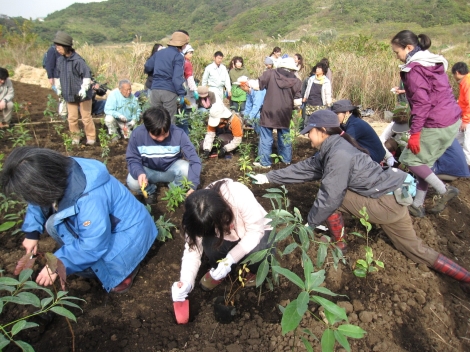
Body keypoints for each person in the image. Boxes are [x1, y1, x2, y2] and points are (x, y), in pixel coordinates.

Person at [249, 110, 470, 295]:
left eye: (310, 132)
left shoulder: (338, 154)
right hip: (395, 199)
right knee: (416, 249)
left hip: (384, 203)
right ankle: (466, 278)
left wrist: (310, 224)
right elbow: (307, 168)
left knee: (334, 195)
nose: (308, 137)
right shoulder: (334, 147)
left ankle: (340, 244)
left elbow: (330, 196)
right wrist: (269, 177)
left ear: (323, 131)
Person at [1, 147, 158, 293]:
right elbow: (38, 197)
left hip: (131, 233)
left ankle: (126, 270)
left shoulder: (89, 197)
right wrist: (32, 232)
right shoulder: (57, 169)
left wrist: (57, 264)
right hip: (109, 226)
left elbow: (93, 245)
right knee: (53, 225)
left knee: (89, 266)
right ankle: (83, 256)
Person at [391, 30, 461, 217]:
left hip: (437, 122)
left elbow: (422, 103)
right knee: (424, 163)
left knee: (410, 160)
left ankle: (444, 190)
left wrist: (415, 133)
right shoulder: (432, 62)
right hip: (452, 119)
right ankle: (418, 204)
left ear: (409, 47)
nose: (397, 56)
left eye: (397, 52)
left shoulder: (414, 69)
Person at [171, 178, 273, 299]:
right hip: (228, 238)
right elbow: (192, 250)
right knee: (210, 246)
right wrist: (186, 281)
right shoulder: (196, 216)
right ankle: (219, 271)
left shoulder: (238, 194)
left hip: (257, 230)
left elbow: (255, 231)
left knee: (262, 250)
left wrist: (230, 258)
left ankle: (253, 272)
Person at [126, 106, 201, 205]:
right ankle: (150, 191)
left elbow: (194, 159)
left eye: (165, 134)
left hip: (171, 169)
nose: (161, 139)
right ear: (147, 129)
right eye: (156, 135)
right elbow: (132, 159)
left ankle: (174, 191)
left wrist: (193, 185)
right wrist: (139, 173)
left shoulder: (178, 134)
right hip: (148, 171)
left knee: (186, 169)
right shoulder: (138, 135)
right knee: (132, 181)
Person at [254, 57, 302, 168]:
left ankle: (265, 163)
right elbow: (297, 101)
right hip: (285, 112)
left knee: (266, 137)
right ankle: (286, 159)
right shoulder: (296, 81)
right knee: (284, 135)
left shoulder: (270, 74)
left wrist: (247, 84)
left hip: (269, 111)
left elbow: (258, 85)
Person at [53, 31, 96, 145]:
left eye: (59, 47)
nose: (57, 49)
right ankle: (75, 138)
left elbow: (87, 76)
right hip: (69, 94)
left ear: (66, 46)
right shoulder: (60, 60)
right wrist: (59, 89)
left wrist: (84, 89)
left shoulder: (78, 61)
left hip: (83, 95)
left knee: (86, 118)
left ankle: (91, 138)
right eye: (56, 47)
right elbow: (59, 75)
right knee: (72, 118)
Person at [144, 31, 189, 124]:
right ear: (182, 45)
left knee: (155, 121)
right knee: (169, 122)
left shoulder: (159, 53)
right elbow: (177, 78)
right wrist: (181, 93)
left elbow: (148, 66)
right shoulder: (178, 57)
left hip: (155, 90)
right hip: (169, 91)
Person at [452, 62, 470, 166]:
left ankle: (466, 173)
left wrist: (466, 121)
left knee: (467, 147)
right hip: (464, 118)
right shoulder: (465, 81)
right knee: (455, 141)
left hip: (468, 119)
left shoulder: (467, 82)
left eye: (454, 74)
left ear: (457, 73)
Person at [182, 45, 199, 111]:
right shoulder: (187, 63)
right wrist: (194, 89)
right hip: (186, 87)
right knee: (190, 107)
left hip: (182, 87)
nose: (191, 55)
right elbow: (189, 78)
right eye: (190, 53)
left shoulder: (181, 61)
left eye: (192, 53)